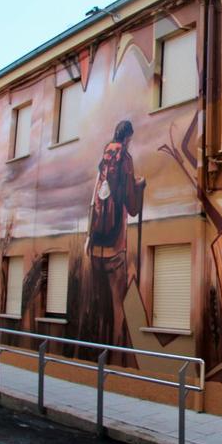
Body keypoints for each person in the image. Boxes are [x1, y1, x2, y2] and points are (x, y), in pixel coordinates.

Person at [85, 120, 145, 349]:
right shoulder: (126, 160)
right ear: (127, 136)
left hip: (97, 241)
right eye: (131, 138)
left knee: (98, 305)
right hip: (115, 244)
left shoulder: (104, 158)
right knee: (117, 304)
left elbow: (95, 198)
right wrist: (139, 186)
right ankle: (116, 354)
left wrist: (89, 235)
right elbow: (131, 205)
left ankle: (96, 352)